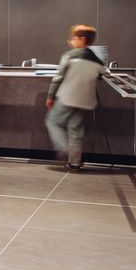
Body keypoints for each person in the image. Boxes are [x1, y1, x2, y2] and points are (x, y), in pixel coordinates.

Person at [46, 24, 109, 170]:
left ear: (82, 39)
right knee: (75, 129)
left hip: (66, 98)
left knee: (53, 122)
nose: (71, 41)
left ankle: (64, 148)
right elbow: (105, 72)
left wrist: (51, 96)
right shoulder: (95, 59)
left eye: (73, 38)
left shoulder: (69, 56)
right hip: (84, 100)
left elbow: (58, 78)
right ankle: (74, 162)